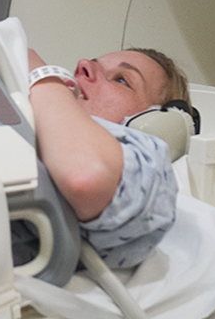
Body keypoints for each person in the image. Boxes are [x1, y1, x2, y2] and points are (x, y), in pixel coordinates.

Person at [26, 46, 193, 268]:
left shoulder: (147, 158)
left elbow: (86, 177)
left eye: (121, 80)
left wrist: (41, 75)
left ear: (153, 123)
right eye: (93, 62)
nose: (83, 64)